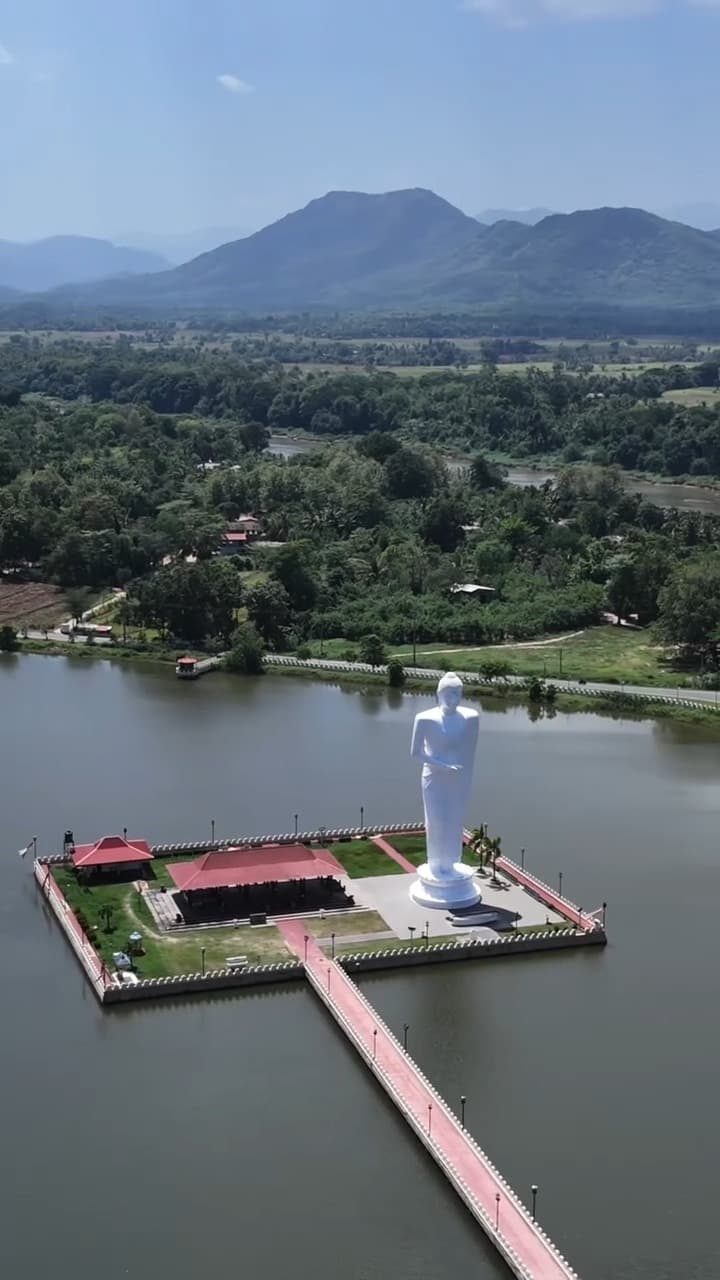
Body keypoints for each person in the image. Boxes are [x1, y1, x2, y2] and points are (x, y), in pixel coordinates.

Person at [410, 672, 479, 883]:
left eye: (458, 693)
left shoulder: (470, 717)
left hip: (458, 778)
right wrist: (443, 766)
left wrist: (465, 778)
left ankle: (450, 862)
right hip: (434, 777)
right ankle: (435, 863)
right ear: (439, 694)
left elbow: (470, 752)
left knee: (454, 820)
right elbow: (415, 753)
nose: (454, 699)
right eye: (449, 694)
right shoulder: (425, 718)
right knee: (436, 820)